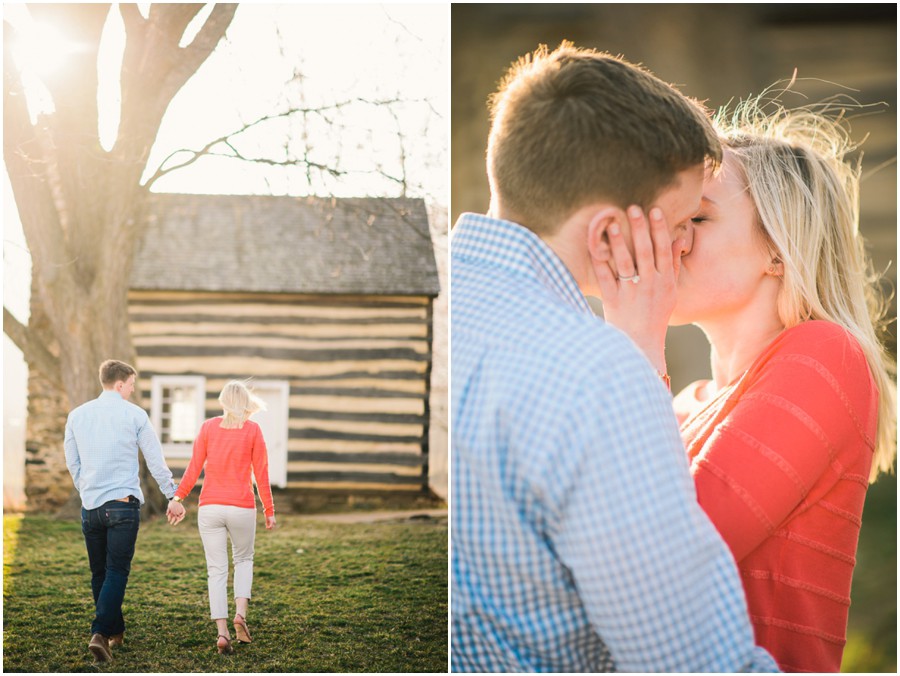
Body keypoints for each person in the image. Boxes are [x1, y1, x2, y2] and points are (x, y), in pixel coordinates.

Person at [450, 42, 778, 672]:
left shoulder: (456, 310)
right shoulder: (593, 377)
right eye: (681, 220)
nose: (682, 247)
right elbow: (695, 663)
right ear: (607, 234)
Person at [653, 99, 894, 672]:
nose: (672, 239)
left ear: (779, 251)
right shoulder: (685, 405)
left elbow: (667, 558)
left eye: (699, 218)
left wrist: (635, 328)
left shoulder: (826, 355)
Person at [64, 359, 185, 663]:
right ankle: (100, 632)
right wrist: (173, 494)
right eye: (131, 384)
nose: (133, 389)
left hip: (91, 508)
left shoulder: (77, 416)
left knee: (100, 572)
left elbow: (73, 462)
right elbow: (155, 460)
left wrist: (86, 489)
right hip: (122, 507)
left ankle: (114, 630)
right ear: (119, 384)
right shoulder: (135, 415)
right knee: (116, 571)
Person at [172, 380, 276, 655]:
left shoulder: (208, 427)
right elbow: (261, 474)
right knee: (243, 559)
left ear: (222, 401)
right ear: (245, 402)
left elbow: (194, 468)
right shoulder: (253, 430)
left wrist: (178, 497)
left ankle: (222, 633)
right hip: (242, 506)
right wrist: (269, 510)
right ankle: (240, 614)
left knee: (216, 570)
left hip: (210, 508)